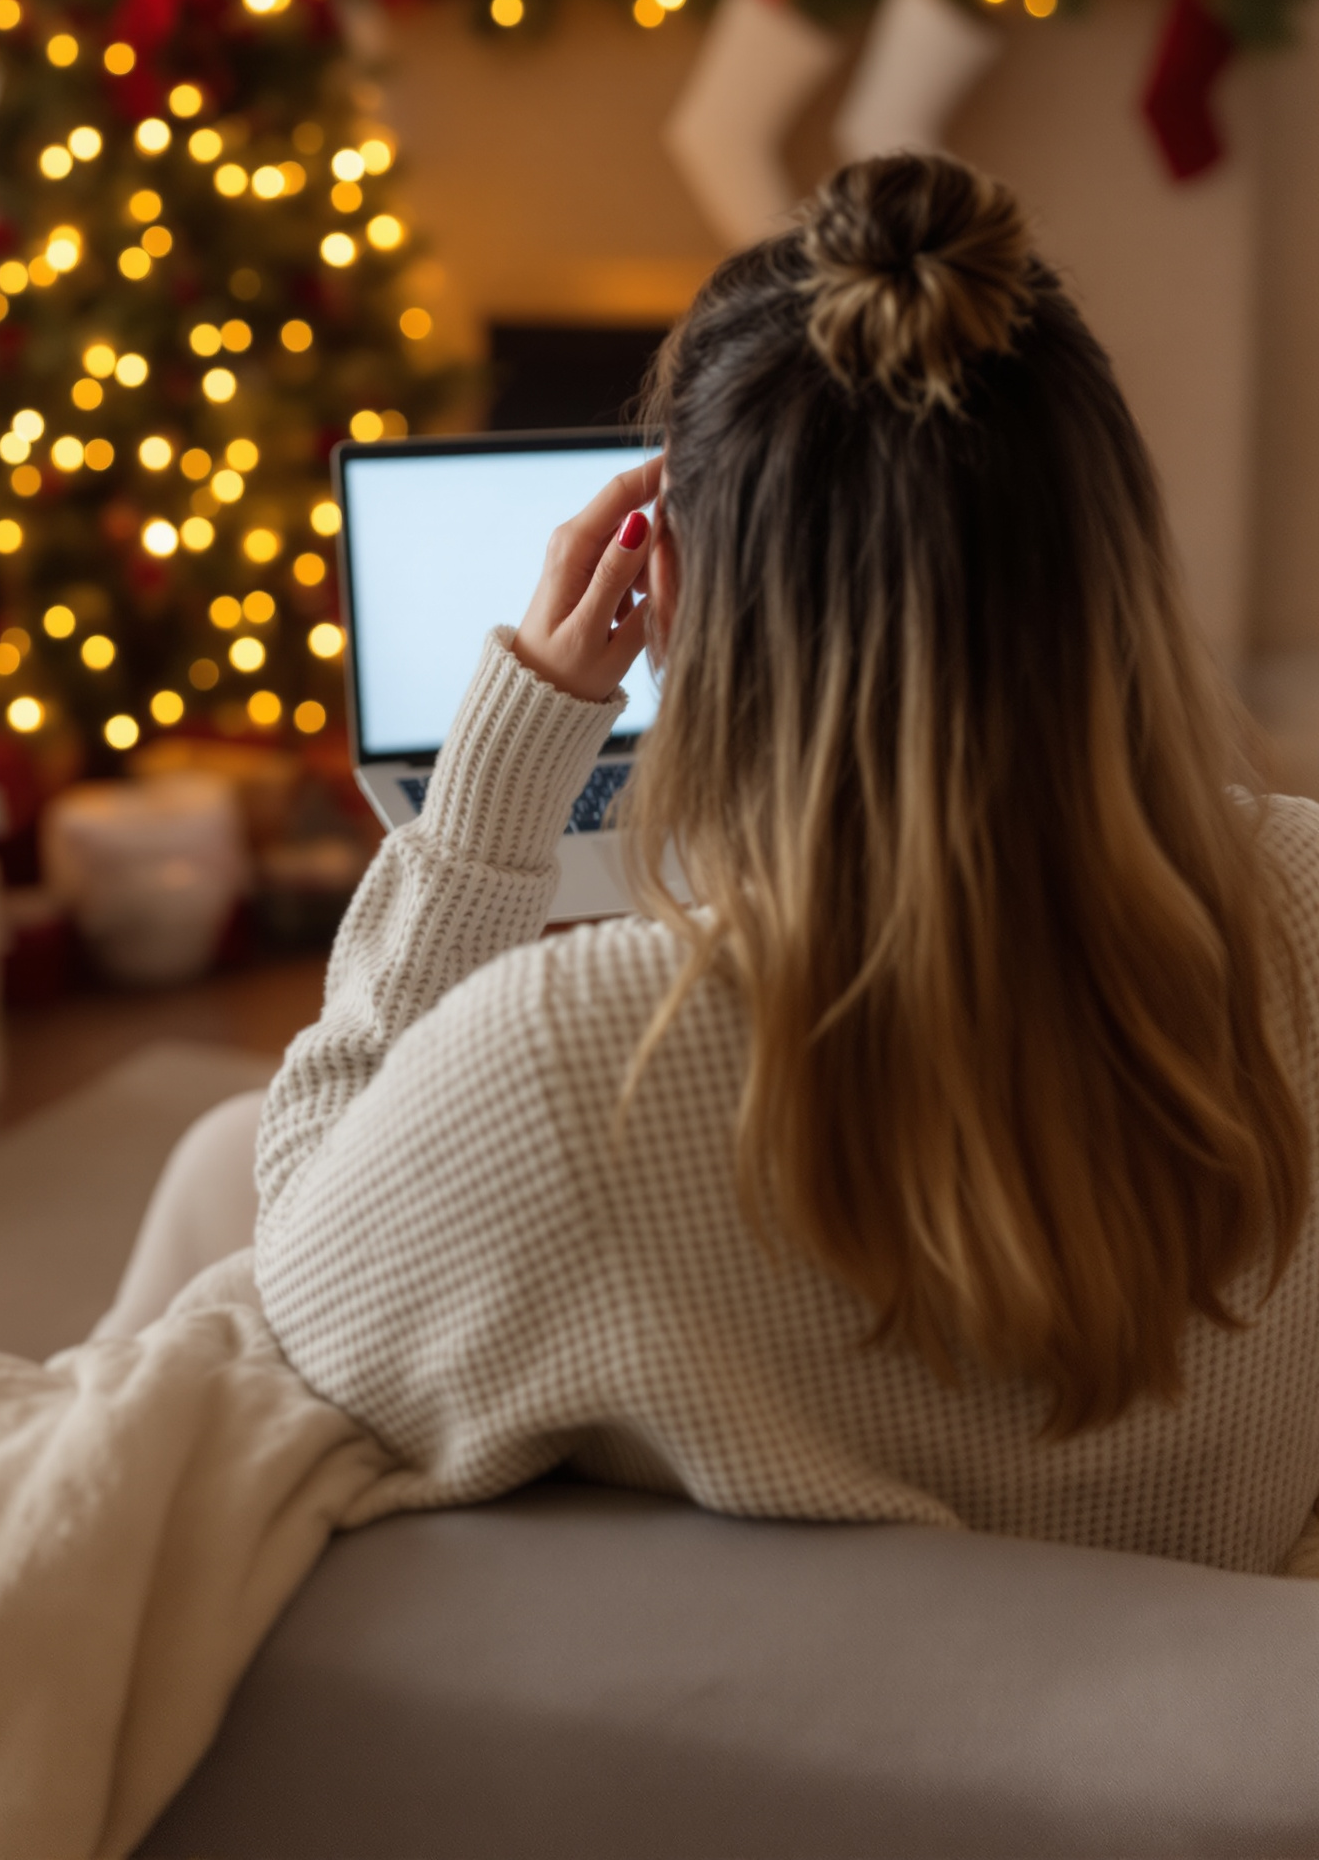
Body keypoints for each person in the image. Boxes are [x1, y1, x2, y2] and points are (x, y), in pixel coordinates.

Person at [103, 150, 1319, 1575]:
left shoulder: (575, 1059)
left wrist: (498, 791)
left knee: (233, 1203)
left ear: (661, 583)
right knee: (206, 1156)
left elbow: (310, 1302)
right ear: (1114, 541)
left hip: (746, 1758)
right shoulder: (1298, 902)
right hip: (1194, 1707)